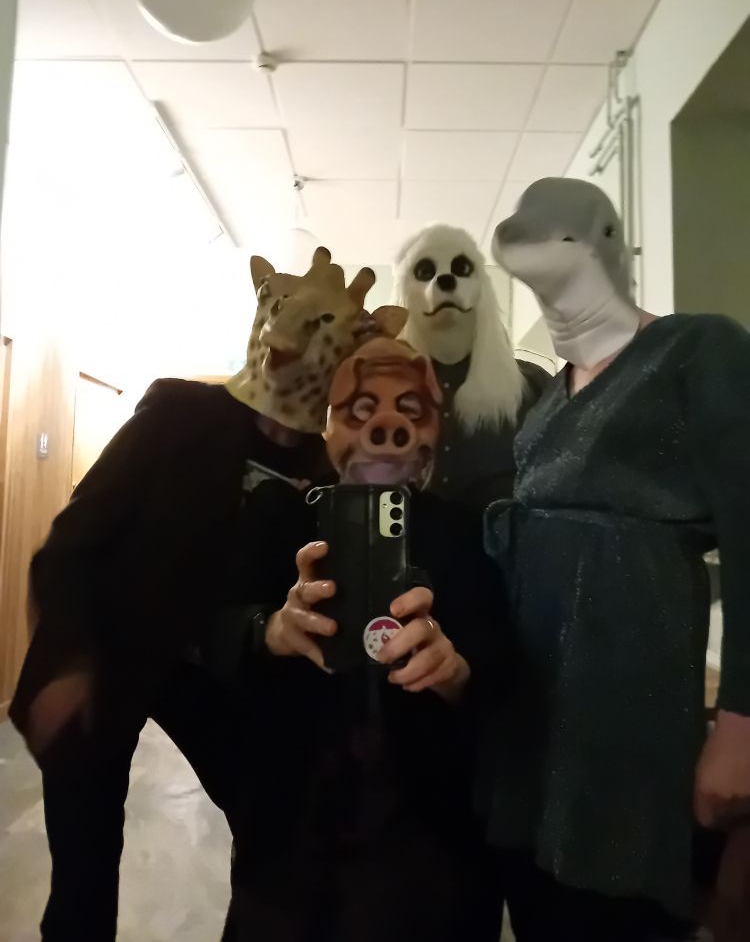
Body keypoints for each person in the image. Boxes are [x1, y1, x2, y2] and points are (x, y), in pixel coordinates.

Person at [9, 247, 379, 941]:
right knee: (83, 876)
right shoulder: (179, 414)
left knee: (274, 826)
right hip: (115, 648)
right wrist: (68, 661)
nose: (286, 342)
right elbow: (73, 542)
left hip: (213, 662)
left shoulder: (321, 463)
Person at [479, 176, 750, 941]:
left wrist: (741, 725)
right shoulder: (552, 392)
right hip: (528, 719)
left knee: (618, 909)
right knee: (539, 906)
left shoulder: (699, 350)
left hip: (630, 711)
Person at [218, 330, 507, 942]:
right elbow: (212, 626)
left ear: (434, 432)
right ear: (327, 429)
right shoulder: (278, 516)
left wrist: (455, 671)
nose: (386, 428)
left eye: (411, 410)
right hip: (291, 836)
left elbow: (502, 660)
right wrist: (270, 629)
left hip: (427, 842)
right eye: (360, 409)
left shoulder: (464, 531)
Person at [392, 223, 550, 510]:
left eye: (461, 268)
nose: (444, 279)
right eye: (425, 272)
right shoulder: (383, 394)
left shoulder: (535, 387)